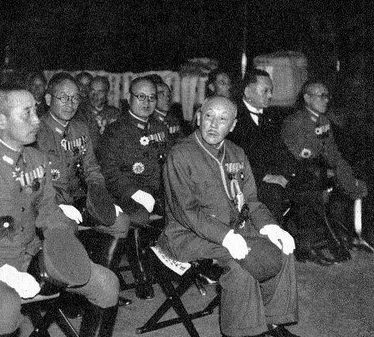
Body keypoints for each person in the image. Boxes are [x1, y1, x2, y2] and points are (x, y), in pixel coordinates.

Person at [0, 84, 120, 337]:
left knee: (106, 283)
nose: (37, 120)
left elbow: (48, 212)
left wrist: (67, 248)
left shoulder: (37, 160)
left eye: (36, 111)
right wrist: (5, 274)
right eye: (27, 113)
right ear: (0, 120)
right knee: (6, 305)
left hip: (26, 256)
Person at [158, 96, 299, 337]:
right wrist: (226, 236)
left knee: (283, 249)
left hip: (236, 229)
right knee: (239, 264)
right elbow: (186, 211)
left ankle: (274, 322)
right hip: (186, 235)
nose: (213, 124)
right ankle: (242, 332)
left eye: (223, 119)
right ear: (199, 118)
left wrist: (270, 227)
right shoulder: (180, 155)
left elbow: (251, 201)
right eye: (209, 116)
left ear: (232, 125)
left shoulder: (236, 153)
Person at [33, 72, 131, 305]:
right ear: (48, 100)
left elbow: (92, 169)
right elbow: (36, 182)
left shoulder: (81, 129)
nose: (70, 104)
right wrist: (59, 206)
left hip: (80, 199)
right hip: (49, 204)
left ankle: (97, 282)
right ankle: (68, 295)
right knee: (67, 228)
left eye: (75, 98)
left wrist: (100, 197)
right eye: (63, 97)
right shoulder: (36, 132)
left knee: (121, 221)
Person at [98, 76, 171, 299]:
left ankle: (177, 264)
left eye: (151, 97)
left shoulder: (159, 128)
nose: (147, 102)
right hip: (124, 194)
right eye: (141, 97)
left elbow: (166, 164)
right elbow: (110, 173)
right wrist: (137, 193)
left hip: (155, 191)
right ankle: (142, 274)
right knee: (139, 215)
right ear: (128, 98)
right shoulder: (116, 131)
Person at [281, 81, 368, 262]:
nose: (326, 100)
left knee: (354, 182)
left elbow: (334, 154)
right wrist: (328, 167)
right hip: (297, 174)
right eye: (321, 95)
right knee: (314, 187)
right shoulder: (295, 121)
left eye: (327, 96)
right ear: (307, 98)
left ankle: (350, 235)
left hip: (318, 173)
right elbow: (300, 155)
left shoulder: (323, 121)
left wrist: (349, 179)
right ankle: (314, 244)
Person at [228, 69, 301, 225]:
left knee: (307, 182)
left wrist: (290, 173)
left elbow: (281, 150)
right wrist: (265, 177)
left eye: (271, 91)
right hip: (247, 180)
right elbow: (232, 157)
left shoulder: (271, 117)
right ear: (247, 91)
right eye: (265, 91)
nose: (270, 95)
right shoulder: (232, 117)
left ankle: (304, 241)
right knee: (273, 194)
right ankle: (272, 244)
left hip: (273, 176)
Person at [76, 75, 121, 152]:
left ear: (107, 93)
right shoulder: (80, 113)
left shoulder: (115, 113)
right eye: (92, 90)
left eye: (100, 92)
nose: (94, 95)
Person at [153, 80, 184, 145]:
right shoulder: (148, 122)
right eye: (162, 94)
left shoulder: (173, 119)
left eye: (168, 94)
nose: (167, 98)